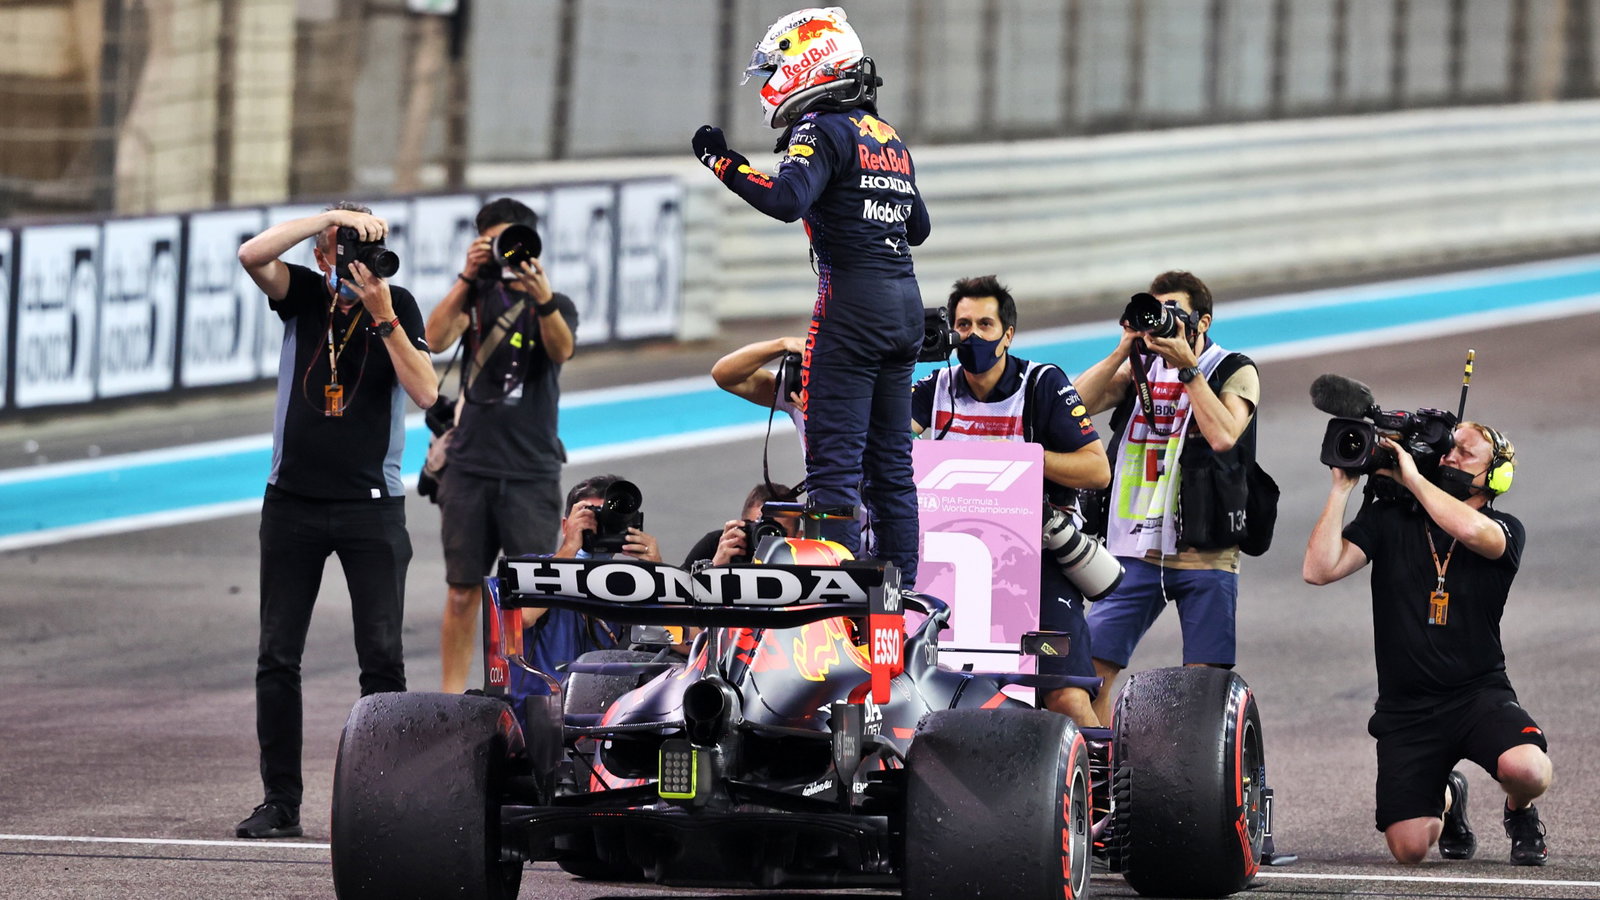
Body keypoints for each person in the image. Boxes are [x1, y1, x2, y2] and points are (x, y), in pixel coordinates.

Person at [691, 6, 929, 586]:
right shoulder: (886, 135)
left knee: (833, 473)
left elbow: (784, 200)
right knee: (893, 472)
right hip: (906, 306)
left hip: (851, 305)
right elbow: (916, 226)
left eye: (774, 69)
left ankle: (834, 604)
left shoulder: (820, 128)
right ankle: (903, 602)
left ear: (808, 64)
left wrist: (722, 160)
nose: (770, 84)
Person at [233, 202, 438, 839]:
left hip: (370, 508)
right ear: (321, 256)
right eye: (337, 248)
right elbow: (251, 254)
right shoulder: (300, 296)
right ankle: (280, 803)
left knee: (381, 659)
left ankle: (383, 801)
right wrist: (323, 218)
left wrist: (383, 319)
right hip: (291, 501)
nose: (348, 261)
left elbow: (427, 392)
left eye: (359, 246)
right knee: (277, 656)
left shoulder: (396, 302)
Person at [1303, 423, 1550, 866]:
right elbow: (1318, 570)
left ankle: (1520, 811)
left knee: (1527, 770)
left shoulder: (1504, 528)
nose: (1450, 457)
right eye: (1449, 449)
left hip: (1478, 695)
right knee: (1410, 849)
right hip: (1407, 711)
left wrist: (1413, 480)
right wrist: (1342, 487)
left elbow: (1475, 535)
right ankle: (1450, 794)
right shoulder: (1390, 520)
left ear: (1496, 477)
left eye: (1465, 453)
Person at [909, 276, 1111, 727]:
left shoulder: (1043, 384)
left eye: (985, 323)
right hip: (947, 569)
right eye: (964, 324)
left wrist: (1020, 461)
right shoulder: (934, 388)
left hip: (1037, 565)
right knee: (917, 689)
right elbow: (888, 449)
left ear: (1008, 334)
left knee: (1066, 700)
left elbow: (1097, 470)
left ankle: (1104, 796)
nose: (974, 334)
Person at [1072, 270, 1261, 726]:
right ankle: (1102, 780)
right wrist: (1123, 348)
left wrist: (1188, 370)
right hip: (1132, 548)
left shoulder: (1234, 368)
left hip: (1204, 549)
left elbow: (1223, 436)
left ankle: (1194, 784)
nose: (1164, 323)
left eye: (1174, 312)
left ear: (1203, 320)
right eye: (1159, 312)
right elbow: (1071, 407)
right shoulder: (1137, 368)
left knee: (1202, 689)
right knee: (1086, 677)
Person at [425, 197, 577, 694]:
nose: (505, 252)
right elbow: (435, 338)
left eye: (513, 240)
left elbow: (561, 350)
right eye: (495, 242)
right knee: (462, 591)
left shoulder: (555, 303)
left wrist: (543, 299)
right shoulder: (473, 298)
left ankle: (521, 693)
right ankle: (450, 702)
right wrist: (467, 279)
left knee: (528, 596)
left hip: (531, 469)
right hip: (470, 465)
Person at [682, 482, 803, 569]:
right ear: (742, 526)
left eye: (776, 532)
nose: (765, 540)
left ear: (798, 538)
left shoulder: (806, 561)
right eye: (759, 528)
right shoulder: (717, 545)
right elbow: (676, 598)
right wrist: (714, 569)